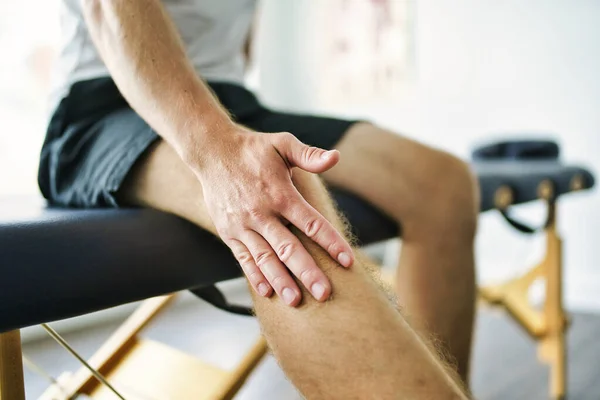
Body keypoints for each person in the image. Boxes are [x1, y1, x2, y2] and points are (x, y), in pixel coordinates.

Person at [38, 1, 478, 398]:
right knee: (280, 196)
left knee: (443, 183)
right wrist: (214, 150)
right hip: (104, 103)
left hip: (229, 97)